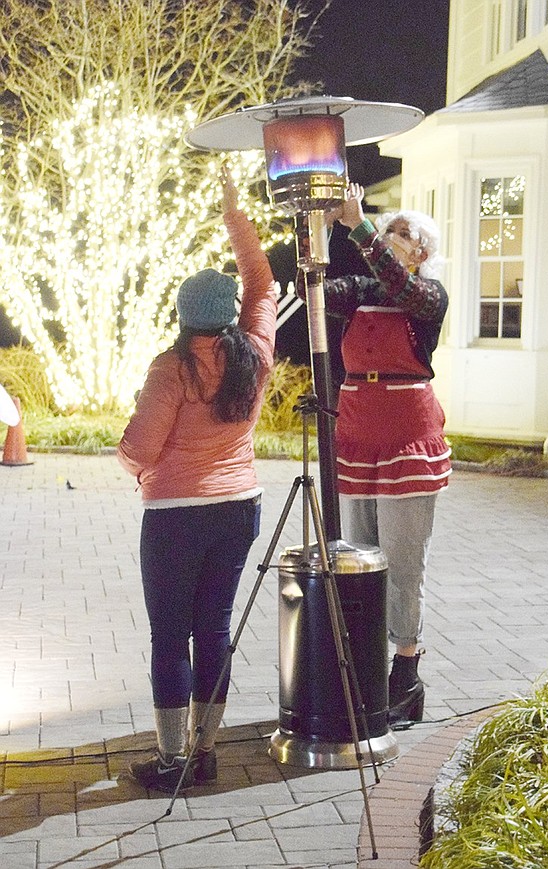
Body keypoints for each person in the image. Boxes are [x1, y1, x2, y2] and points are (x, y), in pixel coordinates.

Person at [117, 165, 277, 793]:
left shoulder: (170, 368)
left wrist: (136, 467)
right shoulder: (255, 355)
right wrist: (236, 216)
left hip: (176, 515)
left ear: (183, 316)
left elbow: (139, 446)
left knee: (169, 635)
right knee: (213, 628)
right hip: (240, 506)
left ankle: (169, 759)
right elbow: (262, 287)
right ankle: (205, 752)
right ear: (231, 317)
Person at [300, 182, 451, 724]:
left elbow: (399, 285)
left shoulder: (427, 298)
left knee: (401, 561)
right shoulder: (361, 289)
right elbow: (311, 286)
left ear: (422, 252)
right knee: (358, 556)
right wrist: (317, 228)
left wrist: (361, 227)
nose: (390, 238)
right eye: (389, 231)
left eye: (401, 233)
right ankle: (363, 668)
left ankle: (405, 674)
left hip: (407, 435)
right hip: (357, 433)